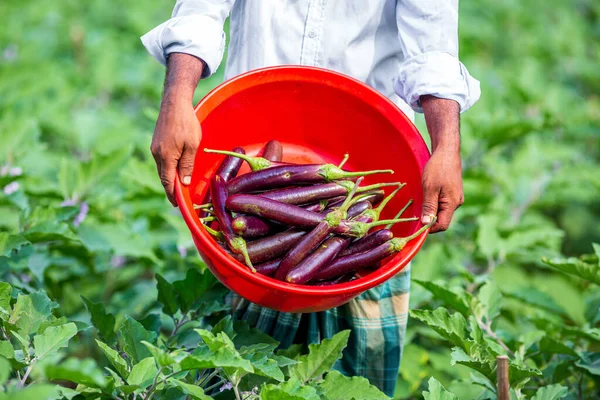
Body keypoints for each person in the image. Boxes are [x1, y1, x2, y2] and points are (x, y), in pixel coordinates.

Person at [142, 1, 480, 396]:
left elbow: (432, 35)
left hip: (375, 155)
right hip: (251, 130)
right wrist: (177, 99)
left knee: (353, 369)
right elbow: (201, 9)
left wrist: (446, 145)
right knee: (235, 368)